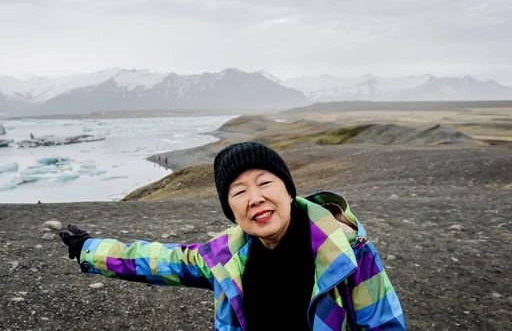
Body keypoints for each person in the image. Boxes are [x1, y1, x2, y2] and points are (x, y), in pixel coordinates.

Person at [59, 141, 406, 331]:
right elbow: (162, 261)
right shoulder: (226, 258)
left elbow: (385, 326)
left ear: (289, 191)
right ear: (231, 210)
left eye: (266, 182)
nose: (255, 197)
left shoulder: (349, 255)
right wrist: (89, 248)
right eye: (238, 192)